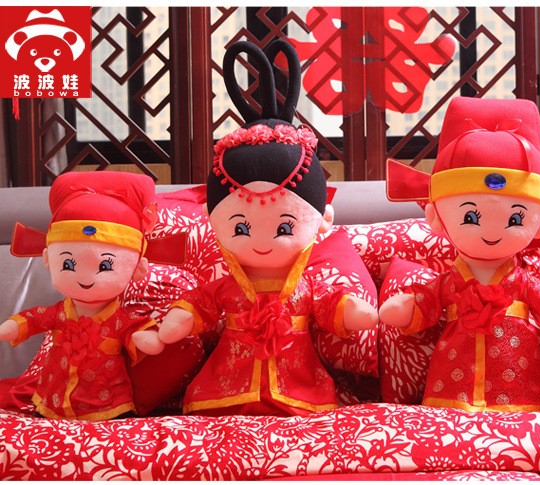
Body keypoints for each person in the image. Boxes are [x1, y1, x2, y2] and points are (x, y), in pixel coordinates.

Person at [141, 40, 377, 416]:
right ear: (213, 219)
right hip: (227, 382)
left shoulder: (305, 286)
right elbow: (201, 304)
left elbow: (327, 304)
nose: (262, 241)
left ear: (322, 220)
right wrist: (179, 320)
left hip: (298, 382)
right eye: (241, 228)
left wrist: (351, 310)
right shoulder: (228, 287)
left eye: (284, 227)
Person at [379, 97, 540, 412]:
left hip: (522, 381)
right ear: (436, 218)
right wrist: (409, 307)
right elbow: (428, 300)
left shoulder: (520, 282)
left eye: (515, 219)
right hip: (453, 383)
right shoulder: (452, 282)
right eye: (470, 217)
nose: (492, 232)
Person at [0, 171, 161, 420]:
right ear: (48, 260)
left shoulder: (118, 319)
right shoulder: (59, 313)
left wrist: (146, 337)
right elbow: (35, 318)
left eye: (105, 266)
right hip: (52, 400)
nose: (86, 278)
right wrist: (11, 327)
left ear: (137, 268)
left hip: (108, 404)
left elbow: (136, 331)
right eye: (68, 264)